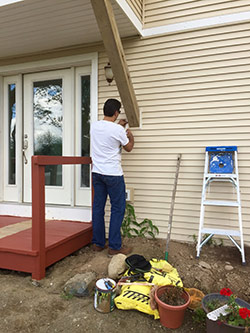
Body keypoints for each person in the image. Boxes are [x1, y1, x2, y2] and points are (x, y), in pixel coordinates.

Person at [90, 98, 134, 255]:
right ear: (116, 112)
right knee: (117, 208)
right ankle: (115, 246)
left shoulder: (94, 126)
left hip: (97, 173)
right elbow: (128, 147)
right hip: (113, 175)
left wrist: (118, 127)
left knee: (98, 208)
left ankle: (98, 243)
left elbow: (106, 134)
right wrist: (130, 136)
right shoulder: (118, 130)